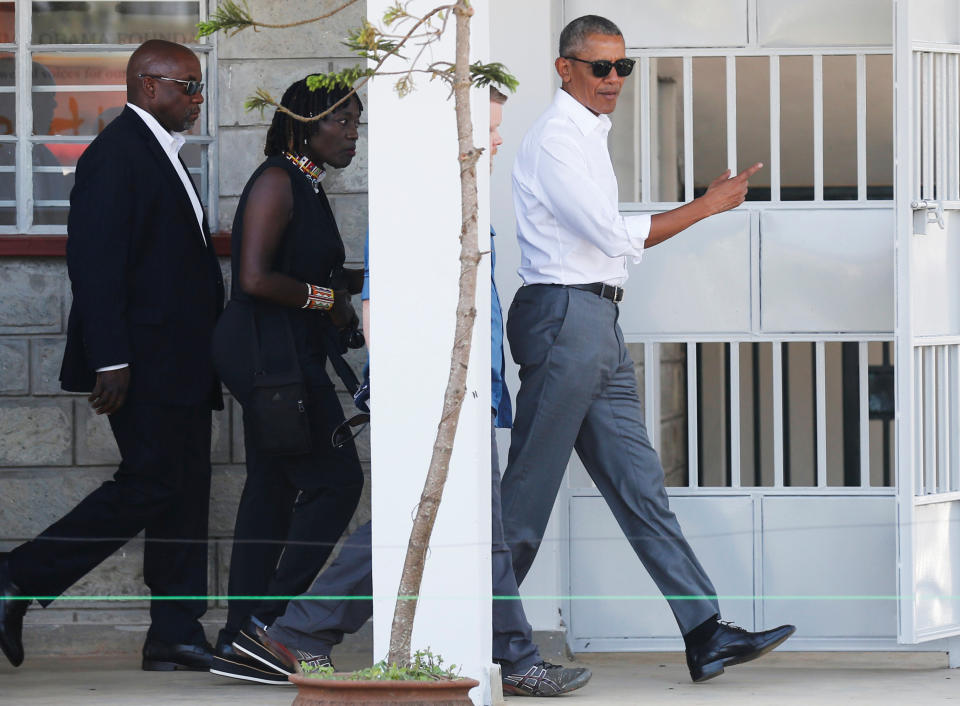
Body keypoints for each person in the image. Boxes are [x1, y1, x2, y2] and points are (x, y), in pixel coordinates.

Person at [209, 86, 593, 698]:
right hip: (339, 373)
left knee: (445, 521)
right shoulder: (390, 198)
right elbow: (264, 279)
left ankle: (296, 631)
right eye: (488, 131)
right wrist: (332, 302)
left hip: (435, 383)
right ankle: (509, 655)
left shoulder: (430, 198)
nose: (497, 142)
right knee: (435, 520)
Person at [500, 14, 796, 684]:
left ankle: (704, 632)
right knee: (526, 499)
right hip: (564, 321)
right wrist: (709, 204)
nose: (613, 80)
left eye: (622, 67)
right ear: (564, 68)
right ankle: (495, 644)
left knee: (640, 486)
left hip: (596, 324)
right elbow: (607, 235)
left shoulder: (587, 136)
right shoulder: (556, 140)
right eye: (599, 67)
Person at [0, 40, 223, 671]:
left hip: (182, 360)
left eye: (200, 86)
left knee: (184, 491)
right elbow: (94, 266)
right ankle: (18, 577)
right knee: (151, 482)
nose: (198, 99)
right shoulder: (117, 154)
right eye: (189, 86)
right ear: (148, 86)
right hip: (144, 361)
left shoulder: (159, 152)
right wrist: (111, 358)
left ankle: (174, 633)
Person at [208, 77, 366, 682]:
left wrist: (349, 288)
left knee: (270, 495)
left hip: (280, 354)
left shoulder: (307, 183)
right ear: (305, 123)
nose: (353, 135)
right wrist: (329, 298)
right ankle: (272, 626)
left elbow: (303, 266)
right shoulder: (279, 179)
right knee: (335, 482)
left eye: (357, 123)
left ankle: (240, 637)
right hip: (267, 359)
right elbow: (253, 277)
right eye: (342, 122)